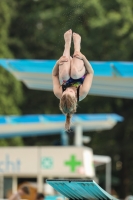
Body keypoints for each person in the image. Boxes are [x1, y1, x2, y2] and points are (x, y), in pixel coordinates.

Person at [52, 29, 94, 131]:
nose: (67, 89)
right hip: (79, 68)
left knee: (65, 76)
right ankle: (77, 47)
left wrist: (58, 63)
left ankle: (67, 44)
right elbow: (91, 73)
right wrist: (83, 58)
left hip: (66, 66)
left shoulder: (58, 92)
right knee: (74, 73)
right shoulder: (82, 92)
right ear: (75, 98)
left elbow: (54, 75)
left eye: (64, 91)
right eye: (70, 91)